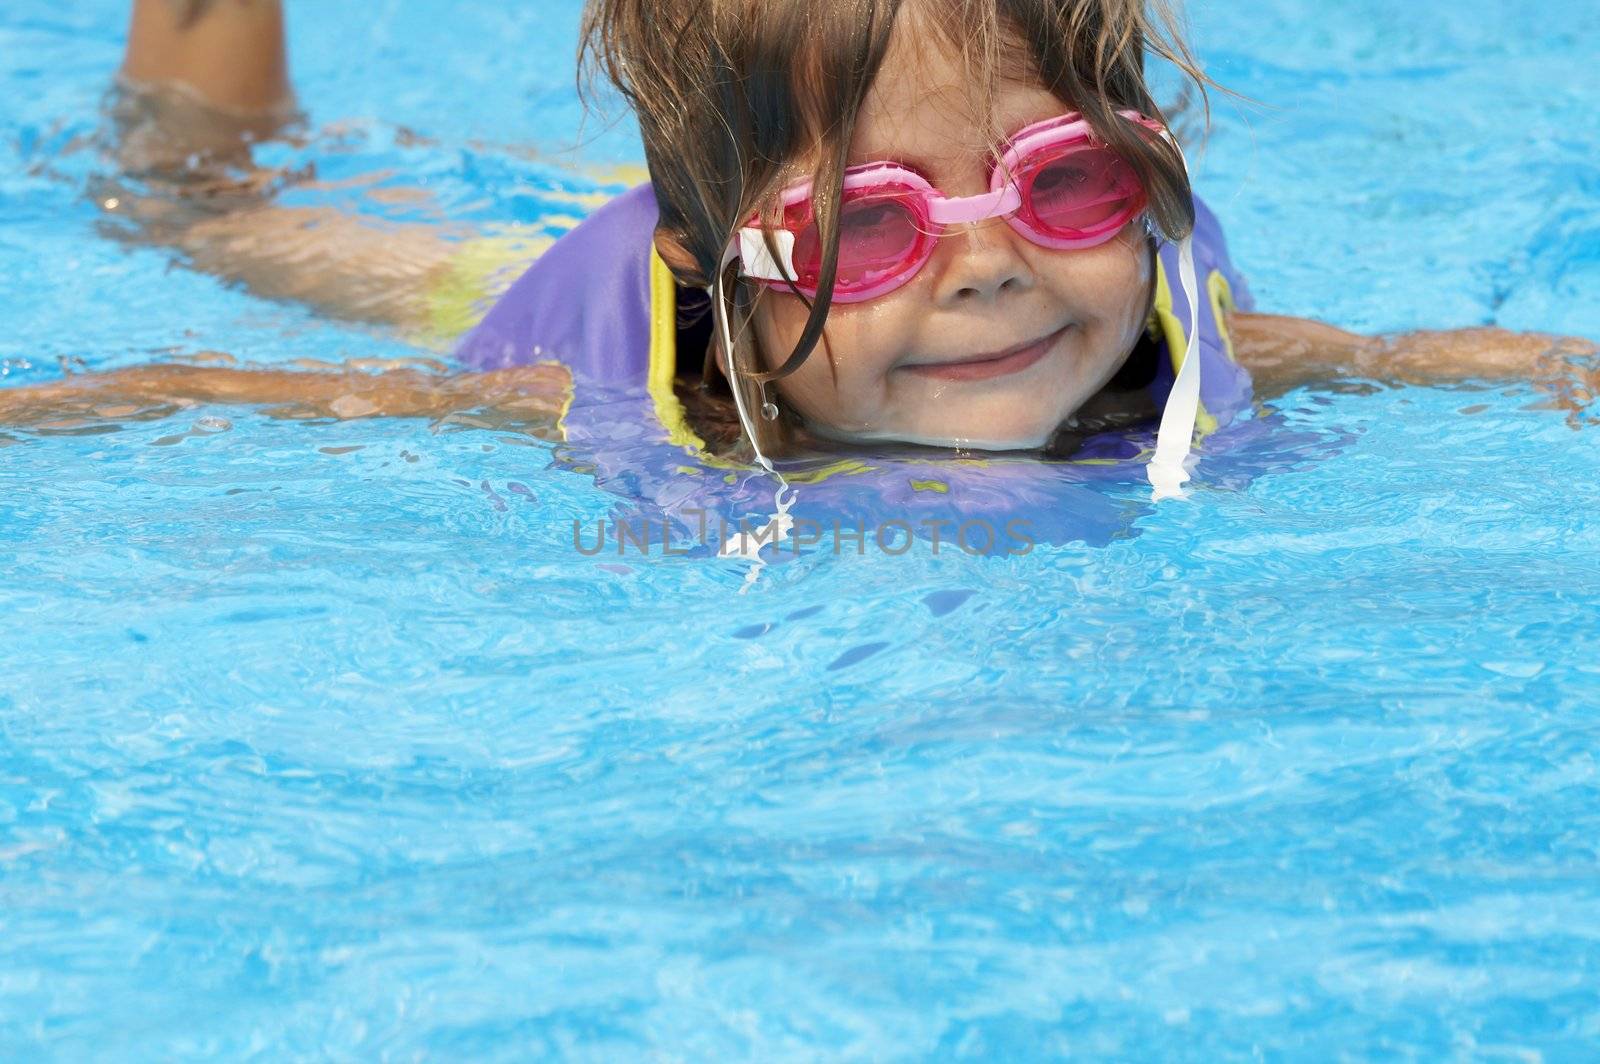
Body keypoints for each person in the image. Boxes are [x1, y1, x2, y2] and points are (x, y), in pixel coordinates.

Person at [4, 0, 1594, 509]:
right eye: (877, 227)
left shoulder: (1173, 325)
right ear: (718, 268)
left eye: (1068, 187)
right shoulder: (613, 388)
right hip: (535, 278)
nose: (992, 272)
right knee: (203, 211)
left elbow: (1382, 361)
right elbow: (264, 393)